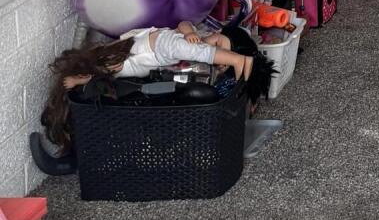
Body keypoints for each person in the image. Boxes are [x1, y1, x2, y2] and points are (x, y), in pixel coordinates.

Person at [33, 23, 260, 173]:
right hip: (133, 64)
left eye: (220, 59)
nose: (211, 46)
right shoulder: (189, 45)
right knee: (101, 93)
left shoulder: (196, 57)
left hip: (142, 71)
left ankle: (81, 153)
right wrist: (192, 34)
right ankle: (76, 155)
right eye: (218, 43)